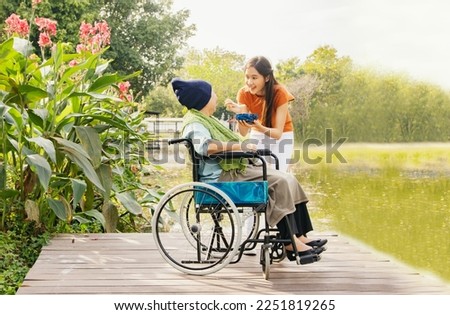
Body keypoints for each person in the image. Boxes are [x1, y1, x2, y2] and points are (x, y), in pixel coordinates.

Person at [171, 78, 327, 264]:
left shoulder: (207, 120)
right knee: (280, 182)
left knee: (288, 178)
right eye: (212, 93)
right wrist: (239, 146)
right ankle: (289, 242)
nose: (216, 96)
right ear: (202, 99)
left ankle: (300, 235)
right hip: (221, 177)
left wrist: (243, 142)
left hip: (232, 170)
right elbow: (205, 147)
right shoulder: (195, 123)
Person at [226, 56, 295, 173]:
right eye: (247, 77)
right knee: (257, 172)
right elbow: (243, 133)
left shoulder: (279, 92)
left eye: (254, 77)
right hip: (258, 133)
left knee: (278, 174)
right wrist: (241, 112)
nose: (249, 82)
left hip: (282, 135)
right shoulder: (244, 93)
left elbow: (277, 133)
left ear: (267, 77)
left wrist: (259, 126)